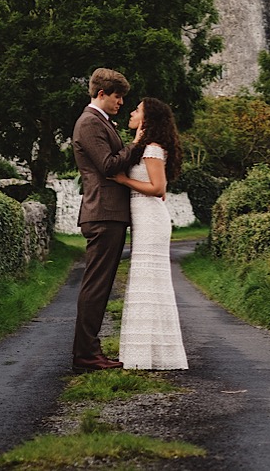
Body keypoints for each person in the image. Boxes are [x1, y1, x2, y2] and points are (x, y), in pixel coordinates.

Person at [70, 67, 142, 371]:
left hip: (109, 214)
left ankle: (89, 351)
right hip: (102, 213)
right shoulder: (89, 123)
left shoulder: (100, 121)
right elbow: (109, 165)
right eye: (117, 96)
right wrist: (137, 143)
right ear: (101, 94)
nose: (121, 102)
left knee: (100, 285)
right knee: (96, 287)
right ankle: (86, 355)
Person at [112, 97, 189, 370]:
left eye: (137, 110)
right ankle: (145, 354)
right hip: (144, 219)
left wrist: (124, 180)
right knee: (145, 282)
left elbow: (159, 189)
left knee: (150, 282)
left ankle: (153, 354)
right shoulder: (143, 146)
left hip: (152, 219)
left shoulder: (154, 150)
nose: (131, 112)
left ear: (146, 118)